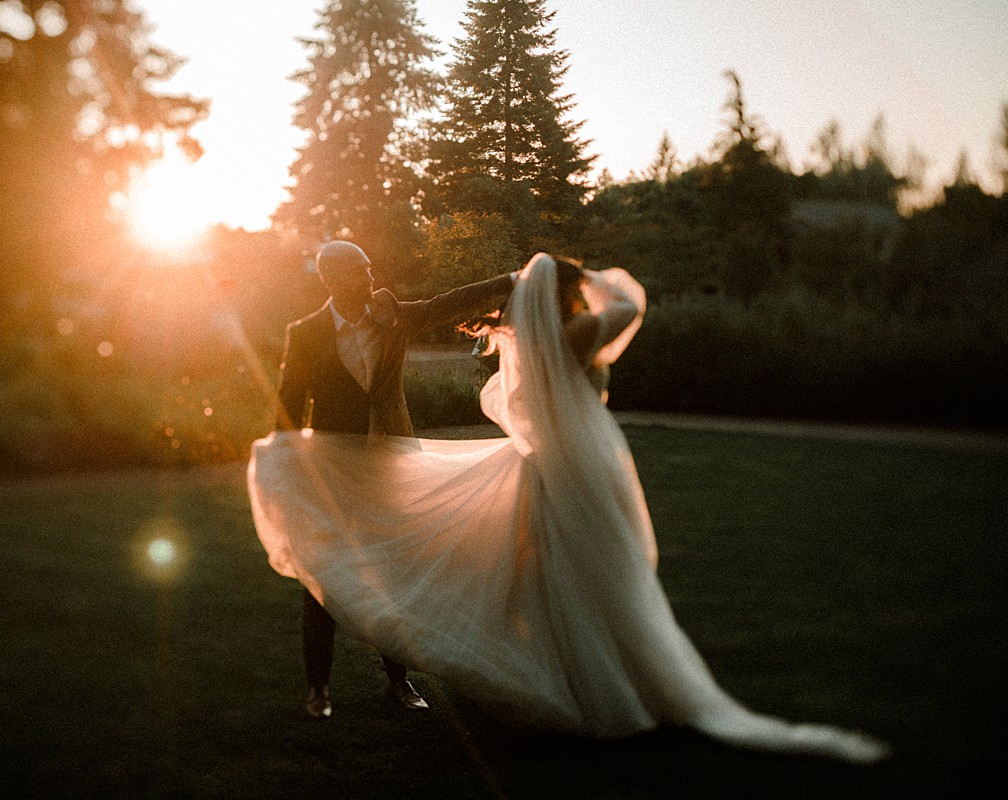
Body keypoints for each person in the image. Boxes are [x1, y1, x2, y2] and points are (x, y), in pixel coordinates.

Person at [248, 253, 888, 763]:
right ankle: (606, 683)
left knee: (540, 576)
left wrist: (522, 286)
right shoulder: (571, 332)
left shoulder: (524, 335)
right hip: (576, 469)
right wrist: (576, 277)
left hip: (511, 463)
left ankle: (486, 680)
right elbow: (630, 302)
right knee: (597, 574)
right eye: (352, 272)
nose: (364, 279)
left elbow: (446, 309)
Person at [263, 240, 516, 719]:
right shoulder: (306, 333)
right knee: (321, 580)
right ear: (332, 278)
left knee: (393, 574)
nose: (371, 274)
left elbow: (449, 304)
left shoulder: (391, 315)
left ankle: (398, 684)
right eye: (361, 268)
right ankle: (318, 690)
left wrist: (511, 281)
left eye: (369, 265)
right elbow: (288, 405)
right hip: (333, 474)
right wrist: (289, 469)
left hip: (392, 466)